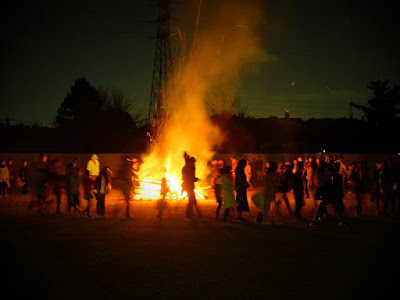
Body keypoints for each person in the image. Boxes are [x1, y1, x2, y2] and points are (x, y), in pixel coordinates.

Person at [182, 153, 202, 220]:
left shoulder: (187, 167)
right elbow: (189, 177)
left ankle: (192, 212)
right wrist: (196, 179)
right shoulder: (189, 168)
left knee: (193, 200)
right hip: (188, 186)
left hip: (188, 185)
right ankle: (188, 214)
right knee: (191, 200)